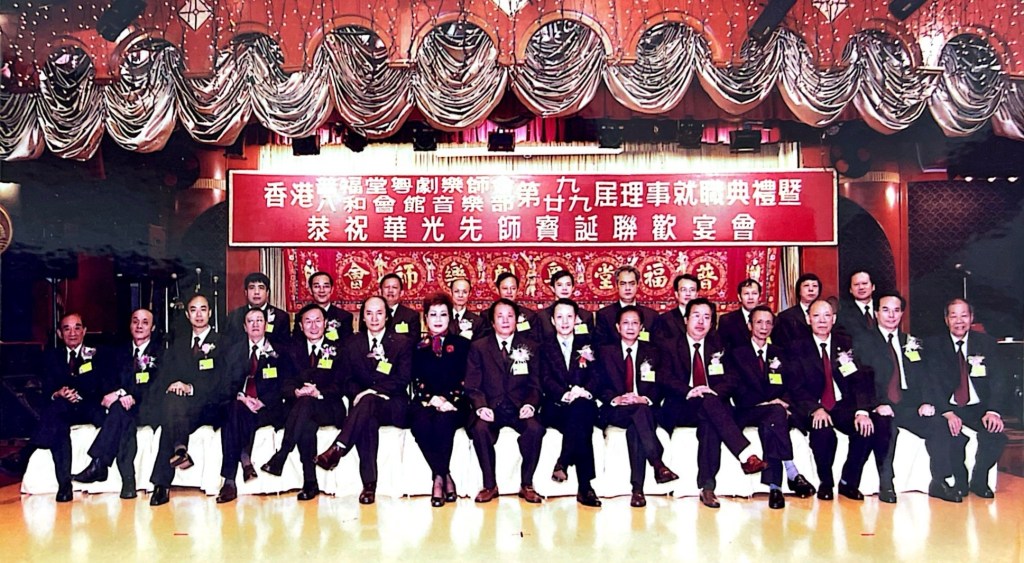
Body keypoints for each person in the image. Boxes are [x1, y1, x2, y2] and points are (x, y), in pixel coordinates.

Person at [658, 298, 768, 509]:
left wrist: (713, 392)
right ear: (686, 319)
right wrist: (690, 390)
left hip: (711, 406)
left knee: (709, 421)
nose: (701, 322)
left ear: (712, 322)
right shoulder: (670, 345)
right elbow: (664, 377)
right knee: (710, 407)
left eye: (707, 317)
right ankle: (745, 454)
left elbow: (732, 378)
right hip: (680, 406)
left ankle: (707, 488)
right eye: (696, 316)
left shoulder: (719, 346)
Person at [855, 292, 963, 503]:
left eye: (896, 310)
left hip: (909, 405)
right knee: (886, 429)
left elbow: (926, 376)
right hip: (881, 404)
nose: (891, 315)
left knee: (938, 425)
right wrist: (876, 404)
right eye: (886, 310)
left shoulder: (911, 342)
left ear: (902, 313)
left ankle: (939, 482)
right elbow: (860, 378)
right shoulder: (864, 342)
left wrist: (926, 401)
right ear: (876, 313)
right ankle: (886, 484)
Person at [315, 295, 414, 505]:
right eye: (369, 313)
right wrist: (361, 394)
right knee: (367, 418)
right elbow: (346, 379)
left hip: (393, 404)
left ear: (387, 316)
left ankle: (339, 448)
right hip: (364, 407)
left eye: (379, 313)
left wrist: (371, 392)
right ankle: (369, 485)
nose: (374, 318)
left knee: (367, 402)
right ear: (362, 317)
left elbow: (402, 379)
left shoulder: (401, 343)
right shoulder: (352, 343)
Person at [788, 299, 885, 502]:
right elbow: (795, 387)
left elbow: (861, 379)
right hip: (814, 406)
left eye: (827, 316)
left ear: (834, 319)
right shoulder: (797, 348)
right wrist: (815, 409)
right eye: (816, 316)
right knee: (823, 431)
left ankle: (848, 482)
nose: (822, 320)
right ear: (808, 319)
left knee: (867, 427)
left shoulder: (846, 344)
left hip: (842, 405)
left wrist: (862, 411)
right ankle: (826, 482)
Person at [723, 306, 817, 508]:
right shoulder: (736, 354)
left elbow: (791, 385)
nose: (763, 327)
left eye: (768, 323)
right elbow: (736, 387)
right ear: (749, 325)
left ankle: (775, 487)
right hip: (748, 409)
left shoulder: (780, 354)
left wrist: (783, 402)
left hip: (775, 412)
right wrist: (766, 403)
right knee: (774, 413)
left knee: (771, 422)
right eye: (759, 322)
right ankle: (791, 470)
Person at [151, 294, 239, 506]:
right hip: (186, 409)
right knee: (172, 405)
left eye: (203, 309)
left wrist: (191, 388)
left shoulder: (223, 343)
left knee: (172, 418)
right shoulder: (178, 345)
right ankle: (164, 480)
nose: (198, 315)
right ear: (187, 315)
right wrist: (174, 385)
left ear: (210, 313)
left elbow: (225, 382)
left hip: (213, 407)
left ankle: (177, 455)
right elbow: (166, 376)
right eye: (193, 310)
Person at [73, 308, 163, 499]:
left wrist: (127, 394)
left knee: (120, 412)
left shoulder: (161, 352)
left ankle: (100, 463)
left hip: (147, 407)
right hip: (123, 408)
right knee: (123, 418)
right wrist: (118, 394)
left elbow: (156, 386)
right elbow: (108, 379)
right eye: (135, 321)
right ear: (130, 325)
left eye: (145, 322)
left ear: (153, 327)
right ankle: (127, 480)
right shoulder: (118, 352)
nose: (139, 326)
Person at [594, 306, 678, 508]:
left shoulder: (653, 352)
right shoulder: (606, 352)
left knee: (636, 426)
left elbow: (660, 384)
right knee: (640, 415)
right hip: (616, 410)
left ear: (641, 327)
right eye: (625, 323)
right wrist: (616, 398)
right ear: (617, 327)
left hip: (644, 409)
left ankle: (637, 490)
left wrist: (645, 399)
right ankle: (657, 463)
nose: (630, 327)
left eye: (635, 323)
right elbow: (599, 384)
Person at [464, 298, 546, 504]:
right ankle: (490, 485)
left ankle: (527, 484)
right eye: (500, 316)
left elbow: (536, 384)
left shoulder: (531, 346)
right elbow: (473, 385)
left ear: (517, 320)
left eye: (510, 316)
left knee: (535, 429)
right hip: (492, 406)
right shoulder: (479, 347)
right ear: (492, 322)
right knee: (480, 429)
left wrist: (530, 404)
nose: (505, 320)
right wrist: (481, 407)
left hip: (519, 406)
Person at [925, 298, 1008, 499]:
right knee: (952, 435)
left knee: (996, 435)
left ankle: (979, 479)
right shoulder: (934, 345)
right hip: (949, 406)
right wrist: (947, 412)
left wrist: (993, 411)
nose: (959, 321)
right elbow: (931, 382)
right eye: (953, 316)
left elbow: (999, 380)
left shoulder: (986, 343)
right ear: (946, 319)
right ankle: (960, 481)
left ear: (971, 318)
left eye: (964, 315)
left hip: (978, 407)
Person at [261, 303, 346, 501]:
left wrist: (318, 392)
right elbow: (284, 382)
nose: (313, 326)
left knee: (307, 406)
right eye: (308, 321)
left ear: (326, 323)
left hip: (328, 406)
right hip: (300, 407)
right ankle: (310, 483)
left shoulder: (338, 349)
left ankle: (282, 454)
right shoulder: (292, 350)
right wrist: (296, 391)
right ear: (300, 325)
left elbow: (341, 384)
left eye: (318, 321)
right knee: (307, 423)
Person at [215, 308, 289, 503]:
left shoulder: (279, 351)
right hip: (240, 404)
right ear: (244, 326)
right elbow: (223, 384)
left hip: (268, 408)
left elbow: (285, 384)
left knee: (233, 418)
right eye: (250, 321)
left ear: (266, 325)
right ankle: (234, 475)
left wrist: (262, 401)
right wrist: (242, 397)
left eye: (259, 320)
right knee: (234, 410)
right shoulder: (233, 352)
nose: (255, 324)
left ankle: (232, 476)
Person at [32, 313, 107, 502]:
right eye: (67, 329)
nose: (72, 333)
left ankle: (28, 449)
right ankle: (64, 485)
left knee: (56, 412)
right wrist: (59, 392)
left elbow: (101, 385)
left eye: (77, 328)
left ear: (84, 331)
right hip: (64, 407)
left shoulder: (96, 354)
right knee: (57, 418)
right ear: (59, 333)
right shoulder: (51, 357)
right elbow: (46, 389)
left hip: (89, 407)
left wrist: (75, 393)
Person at [408, 293, 470, 507]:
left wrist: (449, 400)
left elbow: (467, 378)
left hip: (456, 402)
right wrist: (432, 398)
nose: (438, 319)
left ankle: (437, 480)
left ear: (450, 317)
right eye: (433, 314)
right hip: (427, 401)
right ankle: (443, 474)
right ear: (425, 318)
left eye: (443, 314)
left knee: (444, 422)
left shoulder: (463, 345)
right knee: (420, 423)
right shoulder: (417, 346)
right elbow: (415, 379)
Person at [539, 298, 601, 507]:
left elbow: (597, 375)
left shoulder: (588, 344)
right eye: (560, 317)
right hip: (556, 406)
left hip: (583, 401)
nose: (565, 322)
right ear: (552, 320)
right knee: (582, 422)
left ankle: (564, 462)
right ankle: (585, 487)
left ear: (576, 319)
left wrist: (583, 391)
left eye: (569, 317)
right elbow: (544, 378)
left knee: (580, 412)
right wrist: (564, 394)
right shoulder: (544, 346)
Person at [595, 265, 659, 346]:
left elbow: (657, 347)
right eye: (623, 284)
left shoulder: (651, 316)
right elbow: (600, 346)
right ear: (616, 285)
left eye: (632, 284)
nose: (627, 288)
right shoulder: (604, 315)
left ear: (638, 285)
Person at [226, 272, 291, 348]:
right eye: (252, 288)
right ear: (246, 292)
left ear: (267, 293)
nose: (256, 292)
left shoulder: (281, 317)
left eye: (261, 287)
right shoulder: (234, 317)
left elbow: (285, 348)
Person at [293, 271, 353, 343]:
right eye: (317, 286)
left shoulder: (344, 317)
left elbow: (347, 344)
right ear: (310, 290)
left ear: (332, 289)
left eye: (326, 286)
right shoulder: (301, 316)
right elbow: (296, 343)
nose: (322, 290)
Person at [539, 270, 594, 341]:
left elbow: (590, 341)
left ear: (573, 288)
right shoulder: (543, 316)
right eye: (559, 285)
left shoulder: (585, 316)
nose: (564, 288)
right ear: (552, 288)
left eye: (568, 285)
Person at [772, 273, 820, 349]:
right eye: (806, 285)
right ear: (799, 291)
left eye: (815, 286)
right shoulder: (785, 317)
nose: (811, 289)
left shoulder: (827, 314)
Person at [494, 272, 542, 343]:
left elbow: (534, 341)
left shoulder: (529, 315)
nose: (509, 292)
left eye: (513, 288)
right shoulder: (487, 316)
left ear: (517, 290)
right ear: (497, 290)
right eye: (505, 288)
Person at [716, 278, 763, 351]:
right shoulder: (727, 320)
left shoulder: (769, 320)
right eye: (746, 294)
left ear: (759, 297)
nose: (750, 297)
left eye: (754, 293)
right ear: (739, 297)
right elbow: (722, 348)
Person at [652, 274, 700, 341]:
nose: (688, 294)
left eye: (692, 290)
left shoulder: (706, 318)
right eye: (683, 290)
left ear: (697, 294)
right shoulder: (664, 319)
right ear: (676, 294)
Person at [375, 272, 422, 338]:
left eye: (394, 287)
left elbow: (414, 340)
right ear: (380, 291)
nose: (390, 290)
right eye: (387, 287)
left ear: (401, 293)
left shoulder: (411, 315)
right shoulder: (372, 314)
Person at [837, 270, 876, 338]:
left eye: (864, 283)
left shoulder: (882, 307)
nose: (861, 287)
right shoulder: (843, 314)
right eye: (856, 284)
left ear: (873, 287)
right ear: (850, 289)